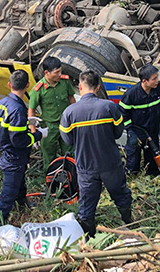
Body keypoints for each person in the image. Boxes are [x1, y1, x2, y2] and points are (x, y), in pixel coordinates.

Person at [60, 70, 132, 237]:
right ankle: (129, 224)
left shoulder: (69, 113)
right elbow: (117, 133)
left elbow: (68, 140)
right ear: (98, 87)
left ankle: (90, 239)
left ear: (80, 86)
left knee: (86, 205)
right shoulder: (109, 107)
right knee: (121, 195)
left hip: (86, 166)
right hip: (110, 163)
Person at [0, 70, 43, 225]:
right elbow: (19, 141)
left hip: (8, 152)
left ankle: (21, 203)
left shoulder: (2, 103)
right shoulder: (18, 110)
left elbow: (3, 127)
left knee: (20, 181)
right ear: (28, 85)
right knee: (9, 191)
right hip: (13, 156)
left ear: (9, 85)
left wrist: (27, 124)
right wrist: (38, 135)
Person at [119, 64, 160, 175]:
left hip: (153, 129)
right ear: (144, 81)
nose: (157, 81)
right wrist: (130, 132)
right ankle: (131, 174)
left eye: (157, 77)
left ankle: (151, 174)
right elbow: (122, 113)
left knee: (152, 157)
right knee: (133, 157)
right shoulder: (131, 95)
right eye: (154, 79)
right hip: (137, 131)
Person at [27, 57, 75, 175]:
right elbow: (31, 111)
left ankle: (70, 178)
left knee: (69, 153)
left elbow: (71, 100)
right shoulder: (38, 90)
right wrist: (33, 132)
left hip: (66, 124)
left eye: (60, 71)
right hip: (49, 127)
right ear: (46, 73)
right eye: (56, 72)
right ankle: (51, 182)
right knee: (49, 156)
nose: (60, 74)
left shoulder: (65, 82)